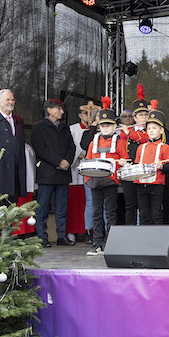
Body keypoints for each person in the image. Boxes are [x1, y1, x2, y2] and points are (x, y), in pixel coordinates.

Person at [81, 97, 129, 255]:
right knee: (96, 212)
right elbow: (88, 160)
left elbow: (125, 159)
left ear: (115, 126)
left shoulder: (119, 141)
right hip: (95, 180)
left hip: (110, 181)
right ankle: (97, 243)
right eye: (103, 125)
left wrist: (122, 162)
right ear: (99, 126)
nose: (106, 128)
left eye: (108, 125)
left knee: (110, 212)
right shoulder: (93, 141)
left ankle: (111, 243)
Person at [30, 99, 77, 248]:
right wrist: (58, 162)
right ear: (49, 110)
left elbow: (72, 147)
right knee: (43, 206)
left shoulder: (65, 127)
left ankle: (61, 236)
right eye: (59, 109)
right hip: (47, 173)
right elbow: (40, 149)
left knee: (62, 207)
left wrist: (67, 161)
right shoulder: (38, 127)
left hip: (63, 173)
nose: (62, 112)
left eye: (62, 109)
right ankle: (41, 237)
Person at [133, 105, 169, 225]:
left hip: (156, 184)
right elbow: (137, 164)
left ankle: (157, 235)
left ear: (161, 130)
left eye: (154, 128)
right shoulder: (141, 147)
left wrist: (161, 166)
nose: (151, 131)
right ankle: (144, 235)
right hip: (141, 184)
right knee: (143, 213)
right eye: (149, 128)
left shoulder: (164, 147)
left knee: (156, 212)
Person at [120, 85, 151, 225]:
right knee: (130, 204)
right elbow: (121, 148)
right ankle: (130, 231)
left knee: (144, 205)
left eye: (146, 115)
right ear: (135, 117)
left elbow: (145, 139)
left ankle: (145, 231)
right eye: (141, 115)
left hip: (145, 171)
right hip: (130, 170)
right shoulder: (126, 131)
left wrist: (129, 133)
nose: (144, 117)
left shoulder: (151, 129)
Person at [69, 100, 98, 243]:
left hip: (96, 168)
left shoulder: (102, 129)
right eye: (87, 113)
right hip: (77, 168)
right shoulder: (73, 129)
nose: (90, 116)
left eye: (93, 113)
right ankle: (79, 231)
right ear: (80, 115)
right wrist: (80, 155)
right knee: (84, 202)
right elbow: (74, 147)